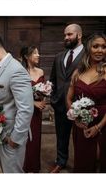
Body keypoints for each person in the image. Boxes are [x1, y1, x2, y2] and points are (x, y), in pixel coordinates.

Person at [0, 32, 34, 173]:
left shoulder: (16, 70)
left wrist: (15, 139)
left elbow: (26, 108)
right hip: (0, 135)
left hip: (11, 138)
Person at [66, 33, 106, 173]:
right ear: (89, 48)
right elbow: (69, 98)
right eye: (96, 46)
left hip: (103, 125)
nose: (100, 50)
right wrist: (75, 117)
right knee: (83, 163)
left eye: (103, 47)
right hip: (81, 126)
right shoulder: (78, 72)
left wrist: (99, 127)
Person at [49, 24, 85, 173]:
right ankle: (61, 161)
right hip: (60, 105)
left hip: (81, 106)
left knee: (81, 138)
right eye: (65, 35)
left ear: (79, 35)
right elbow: (53, 80)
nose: (66, 38)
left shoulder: (88, 55)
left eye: (69, 34)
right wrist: (53, 98)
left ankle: (82, 164)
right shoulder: (59, 57)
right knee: (61, 136)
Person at [20, 46, 46, 173]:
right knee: (27, 140)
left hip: (37, 113)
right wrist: (34, 103)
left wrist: (43, 101)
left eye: (38, 52)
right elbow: (18, 95)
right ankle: (25, 167)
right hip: (26, 111)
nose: (38, 55)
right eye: (35, 53)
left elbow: (45, 90)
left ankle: (35, 168)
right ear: (26, 56)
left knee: (36, 139)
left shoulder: (41, 72)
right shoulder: (21, 72)